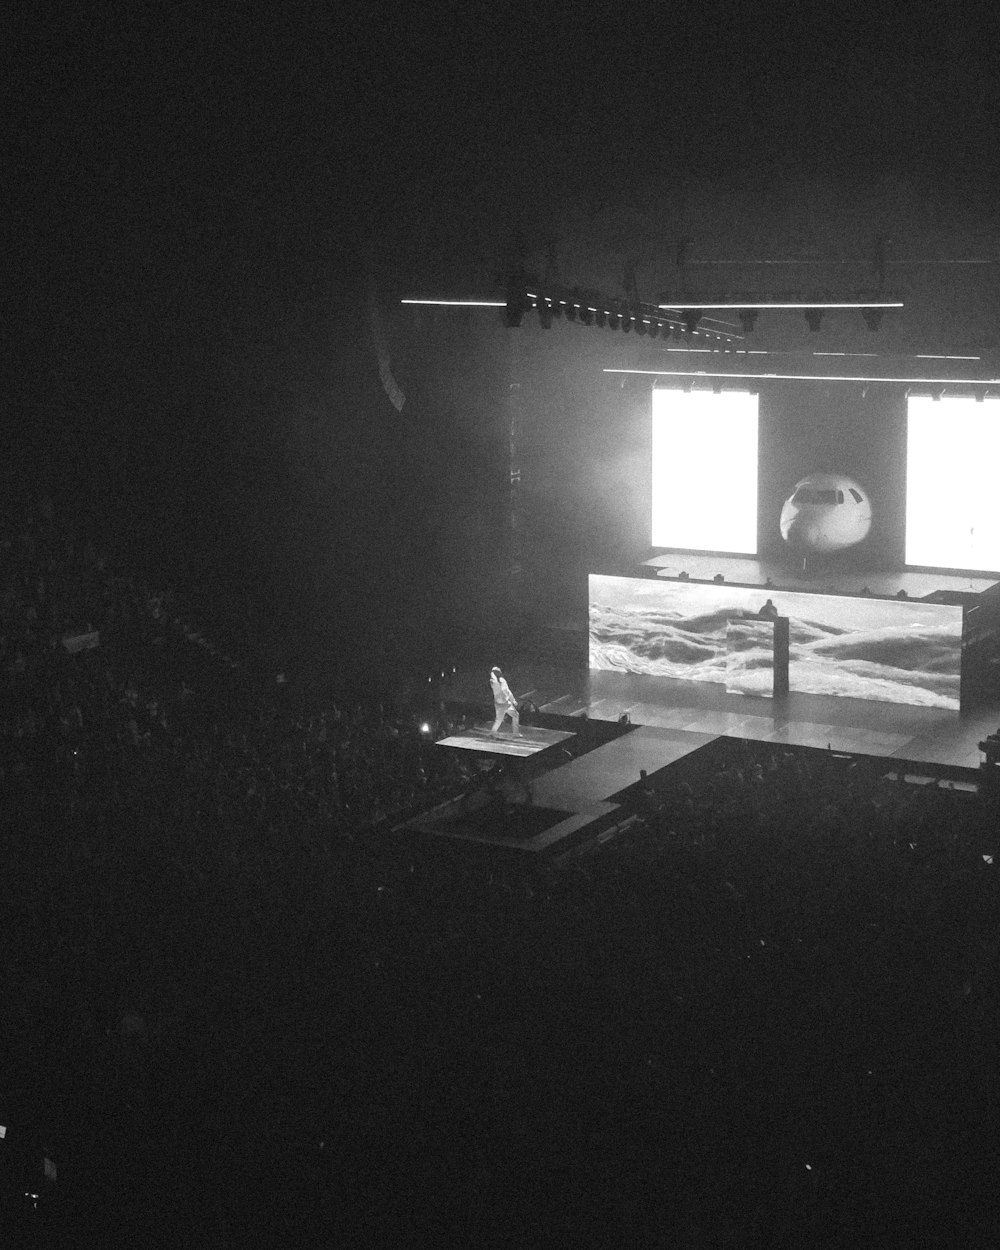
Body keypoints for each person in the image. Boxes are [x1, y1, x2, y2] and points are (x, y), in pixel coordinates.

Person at [489, 666, 521, 737]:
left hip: (498, 703)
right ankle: (516, 733)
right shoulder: (502, 680)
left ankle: (492, 732)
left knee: (499, 720)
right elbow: (506, 691)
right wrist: (513, 700)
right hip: (505, 703)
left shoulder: (492, 681)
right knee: (516, 715)